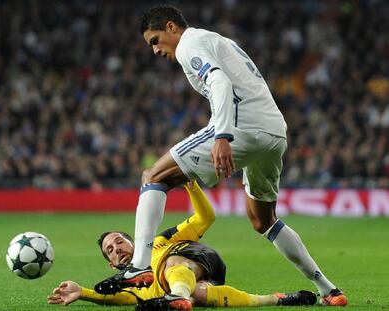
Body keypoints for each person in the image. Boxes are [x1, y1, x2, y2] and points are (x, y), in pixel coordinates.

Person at [96, 5, 347, 307]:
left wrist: (222, 136)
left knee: (153, 176)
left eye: (155, 40)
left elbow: (219, 82)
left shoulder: (189, 44)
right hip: (274, 132)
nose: (155, 50)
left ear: (171, 27)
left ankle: (140, 266)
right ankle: (328, 290)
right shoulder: (215, 40)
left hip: (241, 127)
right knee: (263, 221)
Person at [49, 181, 316, 310]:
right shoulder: (136, 292)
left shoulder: (160, 240)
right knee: (198, 296)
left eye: (119, 241)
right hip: (200, 282)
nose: (116, 247)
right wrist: (81, 292)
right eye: (110, 249)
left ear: (134, 240)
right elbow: (117, 299)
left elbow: (206, 218)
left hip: (195, 257)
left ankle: (177, 295)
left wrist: (191, 186)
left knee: (170, 265)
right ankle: (279, 298)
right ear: (111, 263)